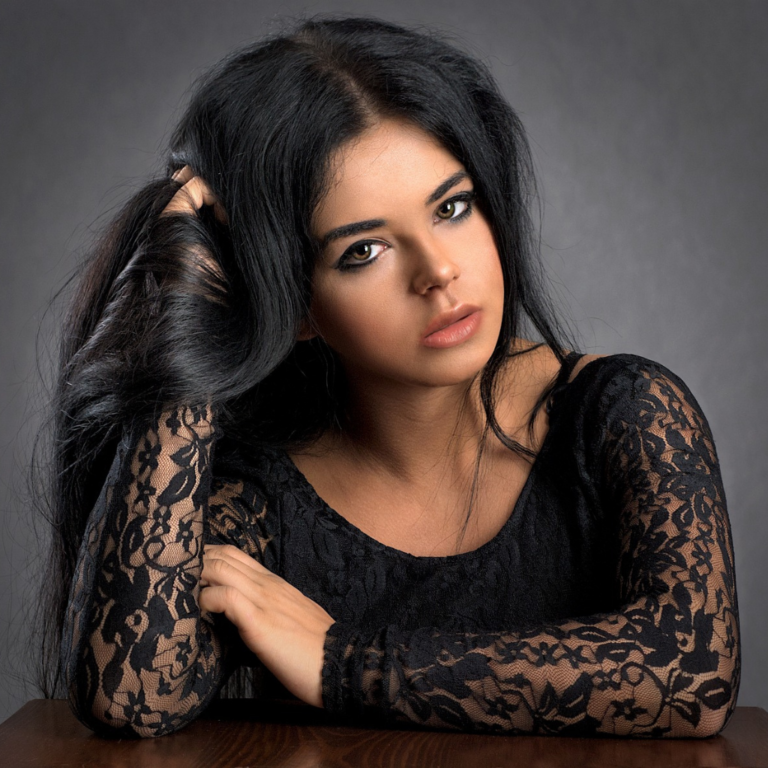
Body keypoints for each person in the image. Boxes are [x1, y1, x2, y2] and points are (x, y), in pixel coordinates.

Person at [40, 16, 740, 739]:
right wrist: (183, 327)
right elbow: (131, 699)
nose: (439, 272)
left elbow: (691, 674)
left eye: (452, 208)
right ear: (295, 306)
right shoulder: (255, 487)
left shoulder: (626, 414)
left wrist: (341, 663)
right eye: (364, 251)